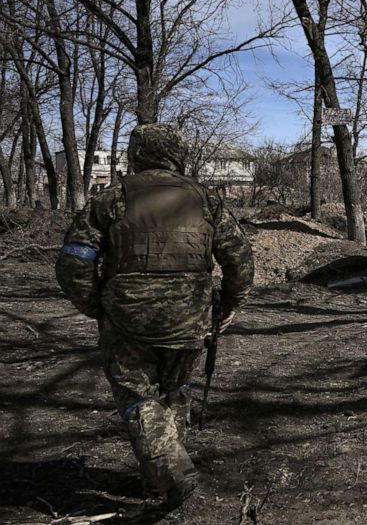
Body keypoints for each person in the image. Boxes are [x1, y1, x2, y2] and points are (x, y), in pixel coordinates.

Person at [55, 124, 254, 511]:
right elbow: (240, 260)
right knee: (175, 391)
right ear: (178, 154)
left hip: (129, 318)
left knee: (137, 396)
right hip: (190, 318)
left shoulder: (111, 199)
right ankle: (159, 477)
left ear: (136, 153)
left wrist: (98, 305)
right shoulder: (205, 199)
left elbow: (73, 263)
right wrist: (230, 304)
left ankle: (170, 472)